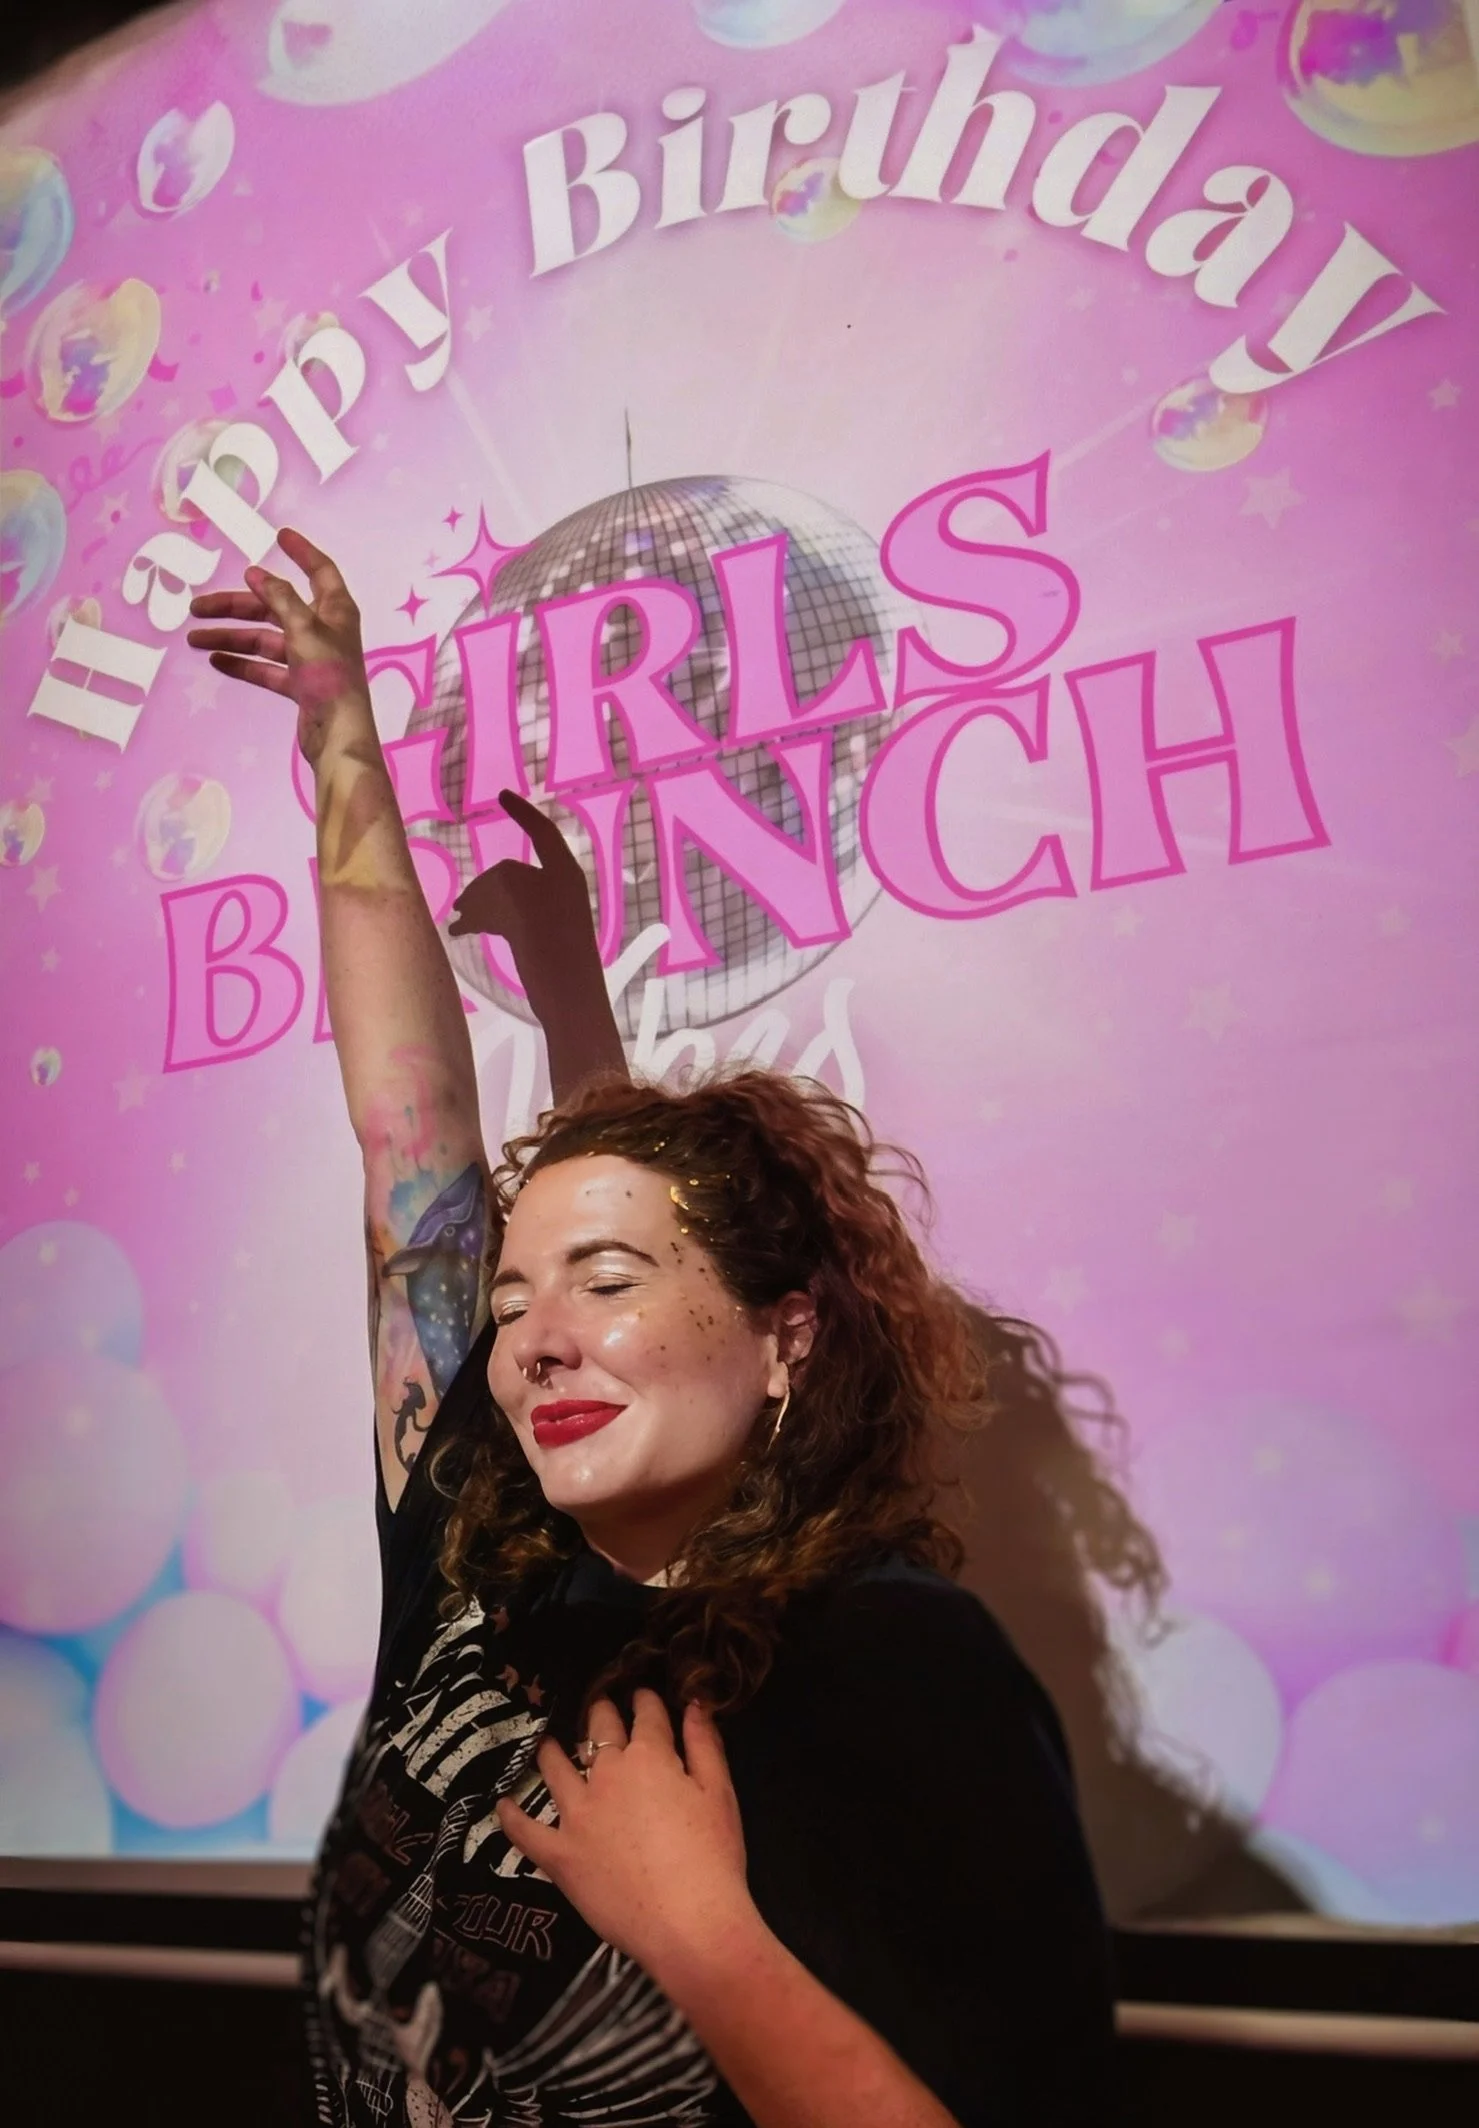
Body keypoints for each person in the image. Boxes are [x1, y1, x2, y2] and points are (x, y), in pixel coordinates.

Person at [187, 534, 1115, 2128]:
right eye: (509, 1296)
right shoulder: (479, 1547)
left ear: (788, 1340)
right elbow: (411, 1138)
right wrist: (344, 742)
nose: (534, 1337)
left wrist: (697, 1931)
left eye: (606, 1284)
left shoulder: (893, 1665)